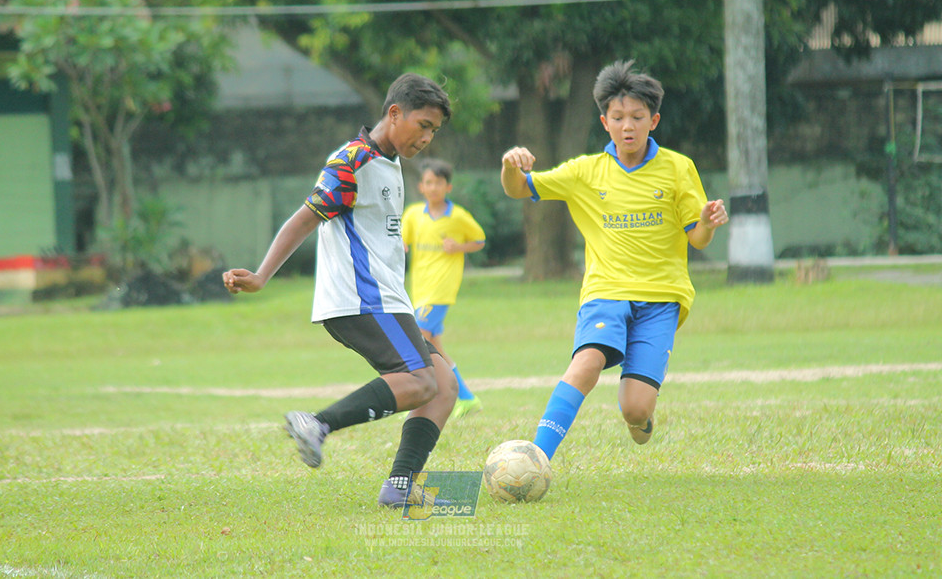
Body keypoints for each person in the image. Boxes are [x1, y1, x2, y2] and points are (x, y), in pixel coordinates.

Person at [223, 73, 458, 508]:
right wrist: (260, 276)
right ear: (394, 113)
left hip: (386, 299)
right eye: (423, 125)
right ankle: (316, 423)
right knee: (422, 381)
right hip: (360, 299)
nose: (428, 138)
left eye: (434, 131)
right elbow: (305, 218)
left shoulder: (388, 161)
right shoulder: (353, 160)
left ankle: (399, 489)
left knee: (443, 385)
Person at [500, 59, 728, 461]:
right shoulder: (586, 172)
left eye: (637, 117)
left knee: (635, 408)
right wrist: (509, 166)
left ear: (653, 121)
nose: (628, 126)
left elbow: (697, 238)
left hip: (662, 299)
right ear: (604, 122)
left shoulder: (678, 169)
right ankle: (537, 458)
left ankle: (640, 419)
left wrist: (708, 223)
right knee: (586, 364)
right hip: (606, 291)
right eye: (618, 117)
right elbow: (520, 189)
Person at [402, 158, 486, 419]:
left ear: (448, 187)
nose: (434, 187)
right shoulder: (414, 214)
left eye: (439, 183)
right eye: (429, 182)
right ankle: (467, 398)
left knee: (418, 338)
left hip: (440, 290)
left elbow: (479, 240)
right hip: (420, 290)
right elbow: (401, 243)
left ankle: (421, 400)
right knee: (433, 345)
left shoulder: (458, 216)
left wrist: (459, 247)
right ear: (421, 187)